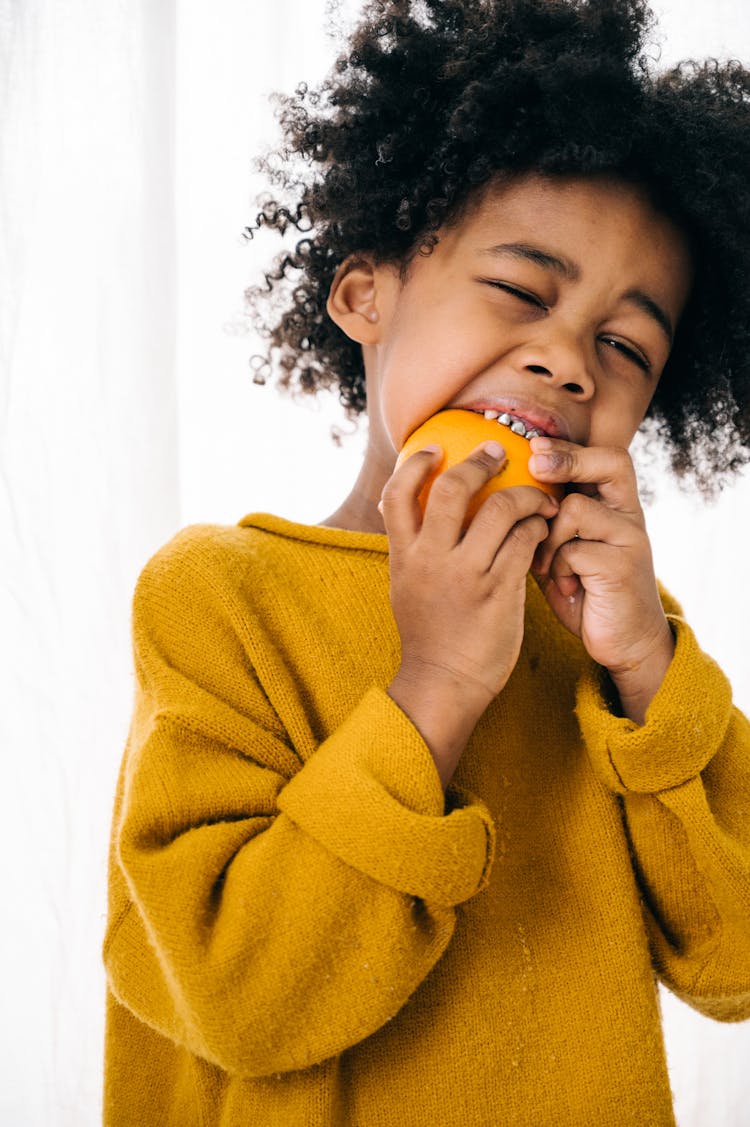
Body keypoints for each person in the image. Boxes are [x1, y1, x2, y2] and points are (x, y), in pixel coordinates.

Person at [102, 1, 750, 1123]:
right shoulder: (219, 596)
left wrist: (650, 668)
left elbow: (732, 959)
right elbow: (240, 1002)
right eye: (522, 289)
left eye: (626, 345)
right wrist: (438, 682)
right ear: (365, 294)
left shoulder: (615, 633)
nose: (567, 363)